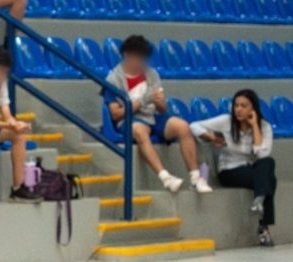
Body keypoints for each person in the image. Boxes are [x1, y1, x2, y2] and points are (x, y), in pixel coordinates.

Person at [105, 35, 211, 193]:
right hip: (130, 118)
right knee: (140, 131)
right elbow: (115, 114)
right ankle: (165, 177)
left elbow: (162, 109)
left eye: (143, 58)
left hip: (153, 116)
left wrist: (159, 102)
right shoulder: (113, 79)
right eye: (138, 57)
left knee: (182, 126)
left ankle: (196, 178)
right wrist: (142, 101)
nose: (141, 62)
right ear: (127, 55)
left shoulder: (151, 74)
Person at [190, 89, 276, 246]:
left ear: (253, 109)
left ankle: (259, 199)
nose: (239, 109)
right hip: (229, 171)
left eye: (244, 106)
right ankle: (263, 226)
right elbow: (193, 126)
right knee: (269, 179)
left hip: (252, 169)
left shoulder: (265, 127)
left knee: (268, 163)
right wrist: (211, 137)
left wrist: (255, 126)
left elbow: (262, 155)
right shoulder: (226, 121)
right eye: (236, 105)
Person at [0, 47, 43, 204]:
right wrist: (8, 125)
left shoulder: (1, 83)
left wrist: (16, 125)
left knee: (18, 135)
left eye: (4, 72)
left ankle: (18, 188)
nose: (2, 76)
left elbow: (6, 113)